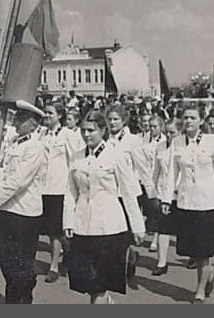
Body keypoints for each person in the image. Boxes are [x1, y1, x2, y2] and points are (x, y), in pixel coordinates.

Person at [63, 110, 145, 304]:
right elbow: (70, 192)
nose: (86, 135)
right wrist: (68, 221)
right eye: (83, 130)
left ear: (102, 130)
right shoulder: (76, 157)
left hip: (109, 226)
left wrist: (138, 226)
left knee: (100, 283)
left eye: (91, 130)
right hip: (83, 225)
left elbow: (128, 193)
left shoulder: (115, 155)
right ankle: (105, 302)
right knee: (88, 282)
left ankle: (102, 301)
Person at [160, 106, 214, 303]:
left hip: (209, 204)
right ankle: (209, 273)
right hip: (186, 203)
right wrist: (167, 199)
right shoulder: (177, 142)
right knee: (192, 250)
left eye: (193, 117)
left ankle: (199, 291)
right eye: (185, 117)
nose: (188, 121)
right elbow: (171, 174)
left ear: (201, 121)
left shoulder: (213, 142)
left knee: (204, 251)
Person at [0, 100, 48, 304]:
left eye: (22, 119)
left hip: (24, 212)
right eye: (17, 117)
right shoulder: (14, 141)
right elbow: (3, 166)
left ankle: (19, 299)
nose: (16, 122)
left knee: (20, 262)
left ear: (34, 124)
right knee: (3, 254)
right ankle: (24, 285)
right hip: (7, 209)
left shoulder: (36, 147)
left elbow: (20, 180)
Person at [104, 104, 148, 280]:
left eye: (116, 119)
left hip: (128, 192)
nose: (112, 122)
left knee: (126, 232)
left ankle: (128, 257)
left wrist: (150, 190)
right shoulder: (104, 138)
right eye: (110, 119)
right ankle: (121, 261)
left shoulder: (132, 140)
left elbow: (142, 166)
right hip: (109, 192)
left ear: (124, 121)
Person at [40, 102, 73, 283]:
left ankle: (54, 266)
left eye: (50, 113)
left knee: (57, 230)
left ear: (59, 115)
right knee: (51, 229)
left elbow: (74, 161)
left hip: (61, 188)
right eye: (45, 112)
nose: (46, 115)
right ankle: (67, 255)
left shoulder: (68, 135)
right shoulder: (42, 134)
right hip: (44, 187)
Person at [149, 118, 181, 275]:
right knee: (163, 228)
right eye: (166, 132)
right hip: (163, 192)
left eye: (172, 132)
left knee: (186, 228)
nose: (168, 135)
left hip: (182, 193)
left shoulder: (184, 147)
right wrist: (152, 191)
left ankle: (193, 257)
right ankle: (162, 262)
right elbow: (156, 171)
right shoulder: (160, 147)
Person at [142, 115, 166, 254]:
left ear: (161, 127)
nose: (151, 129)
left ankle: (155, 239)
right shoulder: (143, 139)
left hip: (158, 179)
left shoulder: (164, 141)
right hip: (144, 178)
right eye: (150, 126)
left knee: (157, 210)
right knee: (147, 208)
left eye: (155, 126)